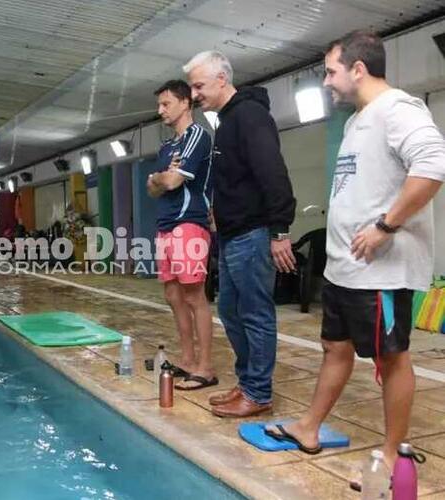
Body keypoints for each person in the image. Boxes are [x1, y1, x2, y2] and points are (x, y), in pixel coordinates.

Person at [263, 31, 445, 482]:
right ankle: (308, 427)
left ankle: (391, 455)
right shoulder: (355, 121)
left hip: (381, 270)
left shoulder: (399, 109)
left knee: (391, 358)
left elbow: (433, 166)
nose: (326, 82)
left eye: (330, 71)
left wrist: (386, 226)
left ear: (358, 69)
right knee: (334, 348)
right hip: (347, 267)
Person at [185, 51, 296, 417]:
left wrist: (280, 230)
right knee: (231, 310)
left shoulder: (249, 115)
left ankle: (259, 392)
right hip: (233, 235)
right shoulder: (227, 120)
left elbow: (273, 172)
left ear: (221, 79)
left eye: (199, 86)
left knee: (254, 313)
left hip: (254, 232)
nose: (195, 94)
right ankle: (248, 382)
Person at [146, 79, 217, 390]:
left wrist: (162, 178)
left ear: (185, 103)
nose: (160, 110)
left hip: (189, 222)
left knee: (193, 295)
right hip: (165, 224)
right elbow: (151, 188)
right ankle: (187, 360)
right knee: (172, 295)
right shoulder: (166, 147)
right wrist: (161, 176)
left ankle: (205, 367)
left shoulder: (197, 135)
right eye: (159, 105)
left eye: (166, 104)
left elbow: (172, 183)